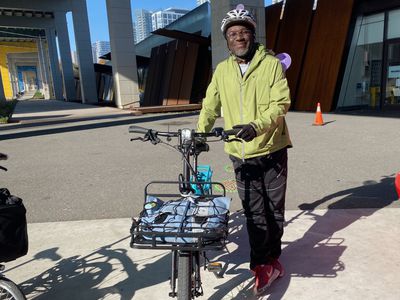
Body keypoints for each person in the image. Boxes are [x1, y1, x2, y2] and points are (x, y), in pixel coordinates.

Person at [196, 4, 292, 296]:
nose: (239, 38)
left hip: (272, 147)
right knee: (253, 212)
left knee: (273, 210)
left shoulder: (271, 65)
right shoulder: (222, 70)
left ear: (253, 36)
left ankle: (272, 258)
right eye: (233, 33)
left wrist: (257, 125)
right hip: (239, 152)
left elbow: (281, 103)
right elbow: (210, 104)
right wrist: (200, 133)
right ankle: (261, 264)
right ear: (227, 40)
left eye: (244, 32)